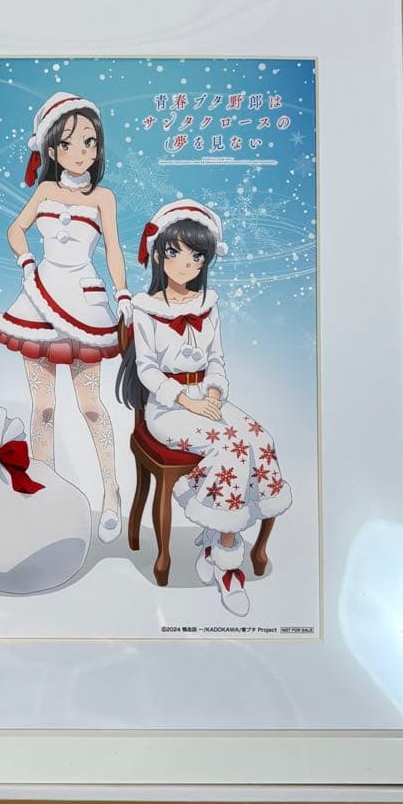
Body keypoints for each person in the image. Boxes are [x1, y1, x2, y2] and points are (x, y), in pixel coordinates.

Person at [115, 199, 292, 615]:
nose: (187, 264)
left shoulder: (208, 305)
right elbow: (147, 370)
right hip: (166, 408)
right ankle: (227, 559)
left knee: (259, 439)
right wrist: (185, 401)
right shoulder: (145, 309)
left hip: (207, 400)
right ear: (158, 254)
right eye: (177, 252)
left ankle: (217, 533)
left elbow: (217, 360)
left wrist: (213, 393)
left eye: (197, 256)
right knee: (231, 448)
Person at [0, 92, 132, 543]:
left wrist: (123, 293)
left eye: (89, 142)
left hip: (84, 301)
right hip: (40, 299)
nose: (81, 152)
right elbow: (16, 228)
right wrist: (26, 262)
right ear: (52, 151)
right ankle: (46, 497)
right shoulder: (46, 191)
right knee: (44, 408)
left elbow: (113, 249)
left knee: (91, 406)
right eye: (69, 144)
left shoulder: (103, 197)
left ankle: (110, 492)